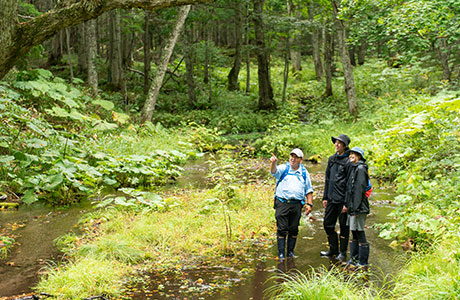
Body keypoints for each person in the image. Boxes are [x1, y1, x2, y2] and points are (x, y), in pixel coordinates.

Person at [270, 148, 314, 261]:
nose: (293, 159)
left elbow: (309, 190)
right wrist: (273, 163)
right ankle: (281, 254)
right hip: (282, 203)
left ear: (301, 160)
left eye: (296, 157)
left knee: (294, 229)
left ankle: (290, 253)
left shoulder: (304, 172)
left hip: (297, 205)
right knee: (282, 228)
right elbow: (274, 172)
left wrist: (309, 204)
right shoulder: (283, 168)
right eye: (291, 156)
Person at [320, 134, 351, 262]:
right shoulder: (331, 159)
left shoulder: (349, 161)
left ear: (345, 146)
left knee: (344, 227)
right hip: (331, 199)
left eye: (339, 143)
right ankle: (333, 249)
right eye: (336, 142)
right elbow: (327, 179)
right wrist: (325, 197)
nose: (336, 145)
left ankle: (343, 253)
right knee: (327, 224)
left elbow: (350, 183)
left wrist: (347, 203)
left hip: (343, 200)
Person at [345, 147, 371, 270]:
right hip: (353, 207)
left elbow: (359, 190)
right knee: (354, 232)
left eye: (354, 154)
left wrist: (355, 208)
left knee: (360, 232)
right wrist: (348, 206)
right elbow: (350, 190)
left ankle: (363, 262)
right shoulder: (354, 167)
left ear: (359, 156)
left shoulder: (360, 169)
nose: (351, 156)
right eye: (350, 154)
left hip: (359, 207)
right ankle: (354, 259)